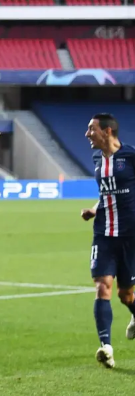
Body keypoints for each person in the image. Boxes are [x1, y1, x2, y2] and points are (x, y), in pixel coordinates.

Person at [81, 113, 135, 369]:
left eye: (91, 129)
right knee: (103, 287)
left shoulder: (130, 157)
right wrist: (94, 209)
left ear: (108, 132)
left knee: (126, 295)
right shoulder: (95, 159)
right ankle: (106, 347)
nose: (87, 134)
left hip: (130, 237)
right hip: (103, 234)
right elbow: (105, 193)